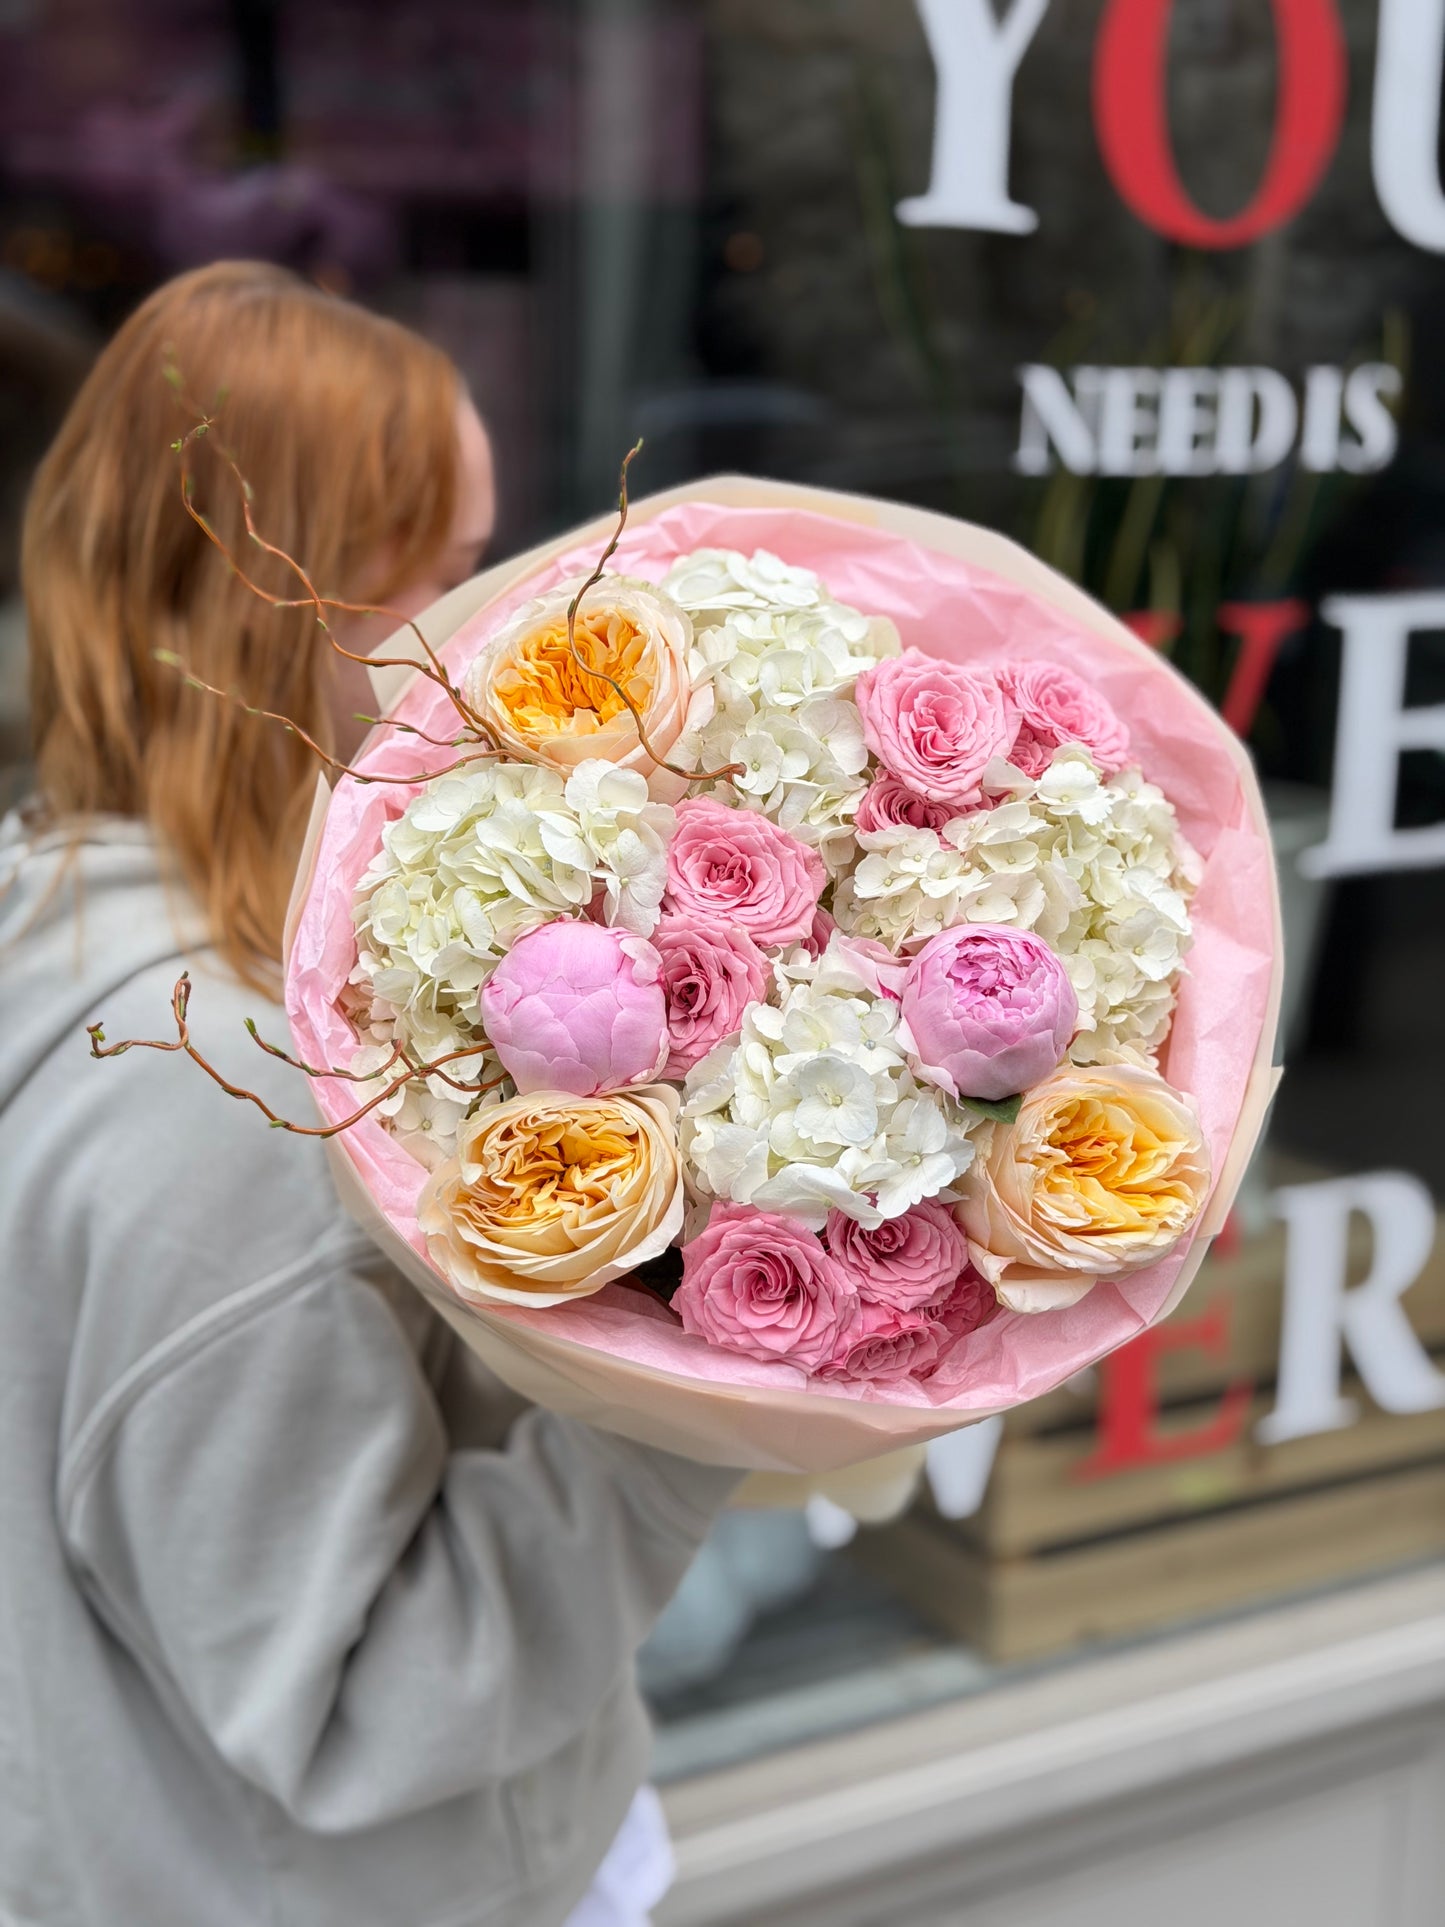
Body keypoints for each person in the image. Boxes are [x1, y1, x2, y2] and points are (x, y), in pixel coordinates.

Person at [0, 261, 738, 1927]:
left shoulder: (56, 916)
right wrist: (687, 1415)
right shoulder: (230, 1100)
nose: (502, 634)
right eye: (462, 571)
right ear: (292, 601)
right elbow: (352, 1699)